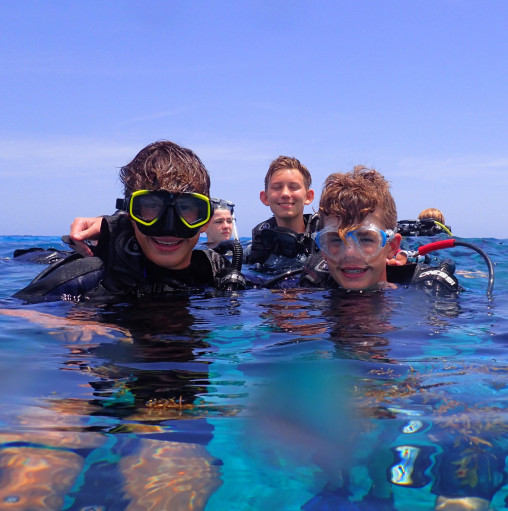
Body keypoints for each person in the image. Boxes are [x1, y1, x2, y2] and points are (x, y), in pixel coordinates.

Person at [14, 140, 243, 303]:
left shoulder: (218, 275)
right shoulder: (87, 280)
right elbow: (11, 311)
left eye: (187, 209)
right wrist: (64, 323)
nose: (169, 228)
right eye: (151, 207)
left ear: (205, 221)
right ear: (130, 215)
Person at [299, 166, 461, 294]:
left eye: (366, 239)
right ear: (324, 250)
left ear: (391, 247)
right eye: (335, 239)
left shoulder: (428, 293)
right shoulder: (312, 283)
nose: (350, 253)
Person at [245, 155, 319, 268]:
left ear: (308, 196)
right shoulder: (251, 253)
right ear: (265, 198)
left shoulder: (326, 245)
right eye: (277, 187)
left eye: (293, 187)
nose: (285, 194)